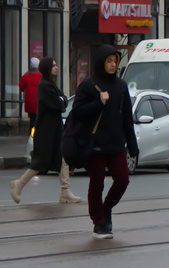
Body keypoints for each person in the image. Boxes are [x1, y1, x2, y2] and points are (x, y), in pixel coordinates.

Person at [72, 45, 138, 239]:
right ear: (101, 62)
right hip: (95, 145)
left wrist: (133, 146)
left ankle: (106, 207)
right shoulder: (88, 85)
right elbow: (77, 112)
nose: (112, 64)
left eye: (115, 61)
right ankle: (99, 222)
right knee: (97, 182)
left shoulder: (121, 86)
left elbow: (127, 117)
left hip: (116, 143)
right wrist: (98, 103)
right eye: (109, 61)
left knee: (122, 179)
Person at [9, 57, 82, 205]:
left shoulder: (51, 85)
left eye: (56, 65)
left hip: (54, 129)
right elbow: (59, 103)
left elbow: (64, 100)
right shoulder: (44, 86)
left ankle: (65, 192)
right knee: (40, 162)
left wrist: (61, 100)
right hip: (46, 131)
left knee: (63, 159)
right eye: (53, 66)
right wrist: (61, 100)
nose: (56, 68)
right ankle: (19, 184)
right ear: (46, 68)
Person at [18, 57, 41, 133]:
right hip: (40, 100)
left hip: (30, 101)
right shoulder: (42, 76)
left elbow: (21, 87)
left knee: (32, 119)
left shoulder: (25, 76)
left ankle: (32, 133)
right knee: (39, 119)